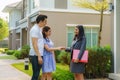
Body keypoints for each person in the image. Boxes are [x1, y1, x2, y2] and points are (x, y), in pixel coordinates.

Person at [29, 14, 47, 80]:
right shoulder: (35, 29)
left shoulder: (39, 29)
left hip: (38, 54)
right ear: (40, 21)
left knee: (36, 74)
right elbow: (34, 44)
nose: (46, 23)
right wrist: (39, 56)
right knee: (36, 74)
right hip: (35, 55)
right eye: (45, 21)